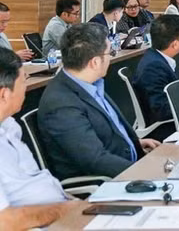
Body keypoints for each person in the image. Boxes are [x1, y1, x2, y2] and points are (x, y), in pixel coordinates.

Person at [37, 23, 159, 180]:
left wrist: (132, 143)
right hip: (108, 184)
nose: (111, 57)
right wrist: (150, 173)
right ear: (94, 62)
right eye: (110, 53)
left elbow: (103, 132)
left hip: (129, 163)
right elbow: (95, 160)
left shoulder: (90, 84)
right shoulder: (61, 104)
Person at [0, 47, 80, 229]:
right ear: (4, 94)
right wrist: (65, 209)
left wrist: (78, 206)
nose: (26, 87)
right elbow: (4, 221)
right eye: (24, 80)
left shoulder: (9, 126)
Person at [132, 15, 179, 126]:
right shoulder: (153, 67)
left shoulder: (156, 58)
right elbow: (161, 110)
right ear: (175, 44)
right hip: (167, 128)